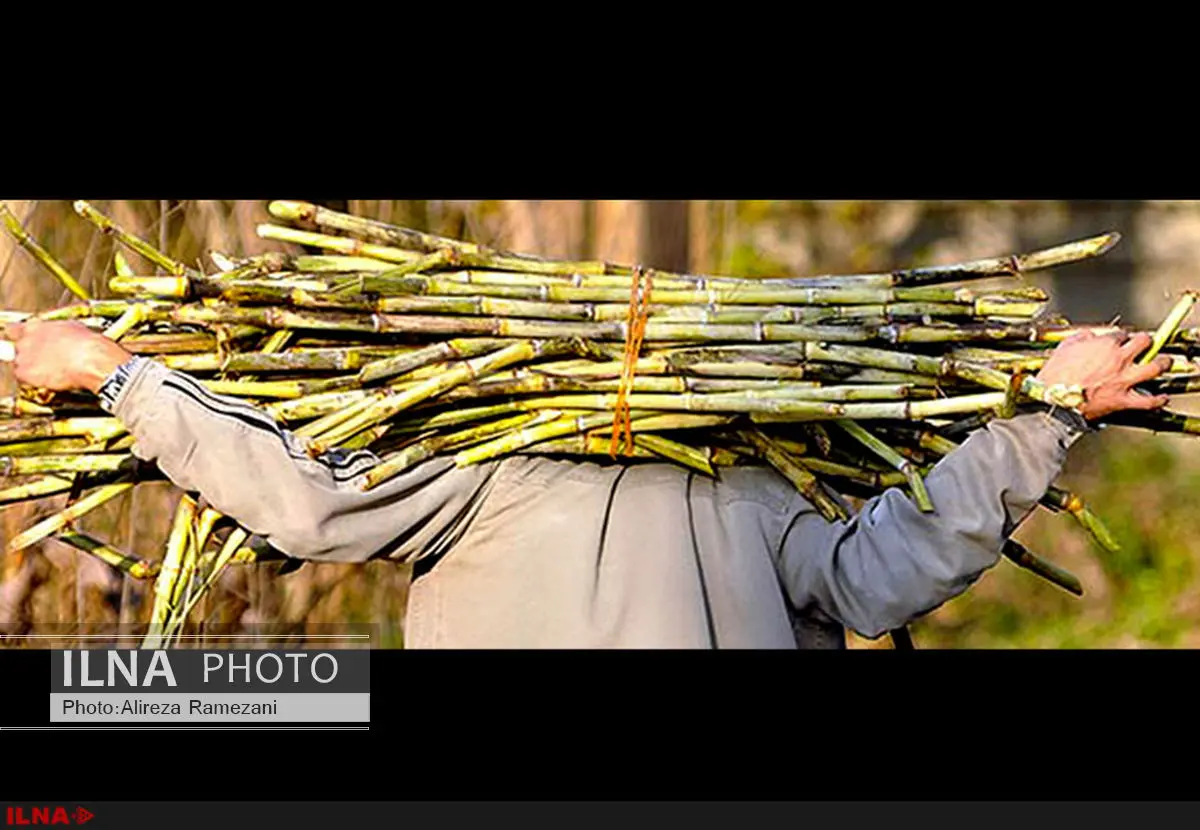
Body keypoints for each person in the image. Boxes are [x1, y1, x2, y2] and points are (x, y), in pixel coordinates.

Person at [2, 319, 1174, 648]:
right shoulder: (756, 491)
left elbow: (306, 499)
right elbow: (884, 575)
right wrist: (1044, 416)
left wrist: (121, 376)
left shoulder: (493, 470)